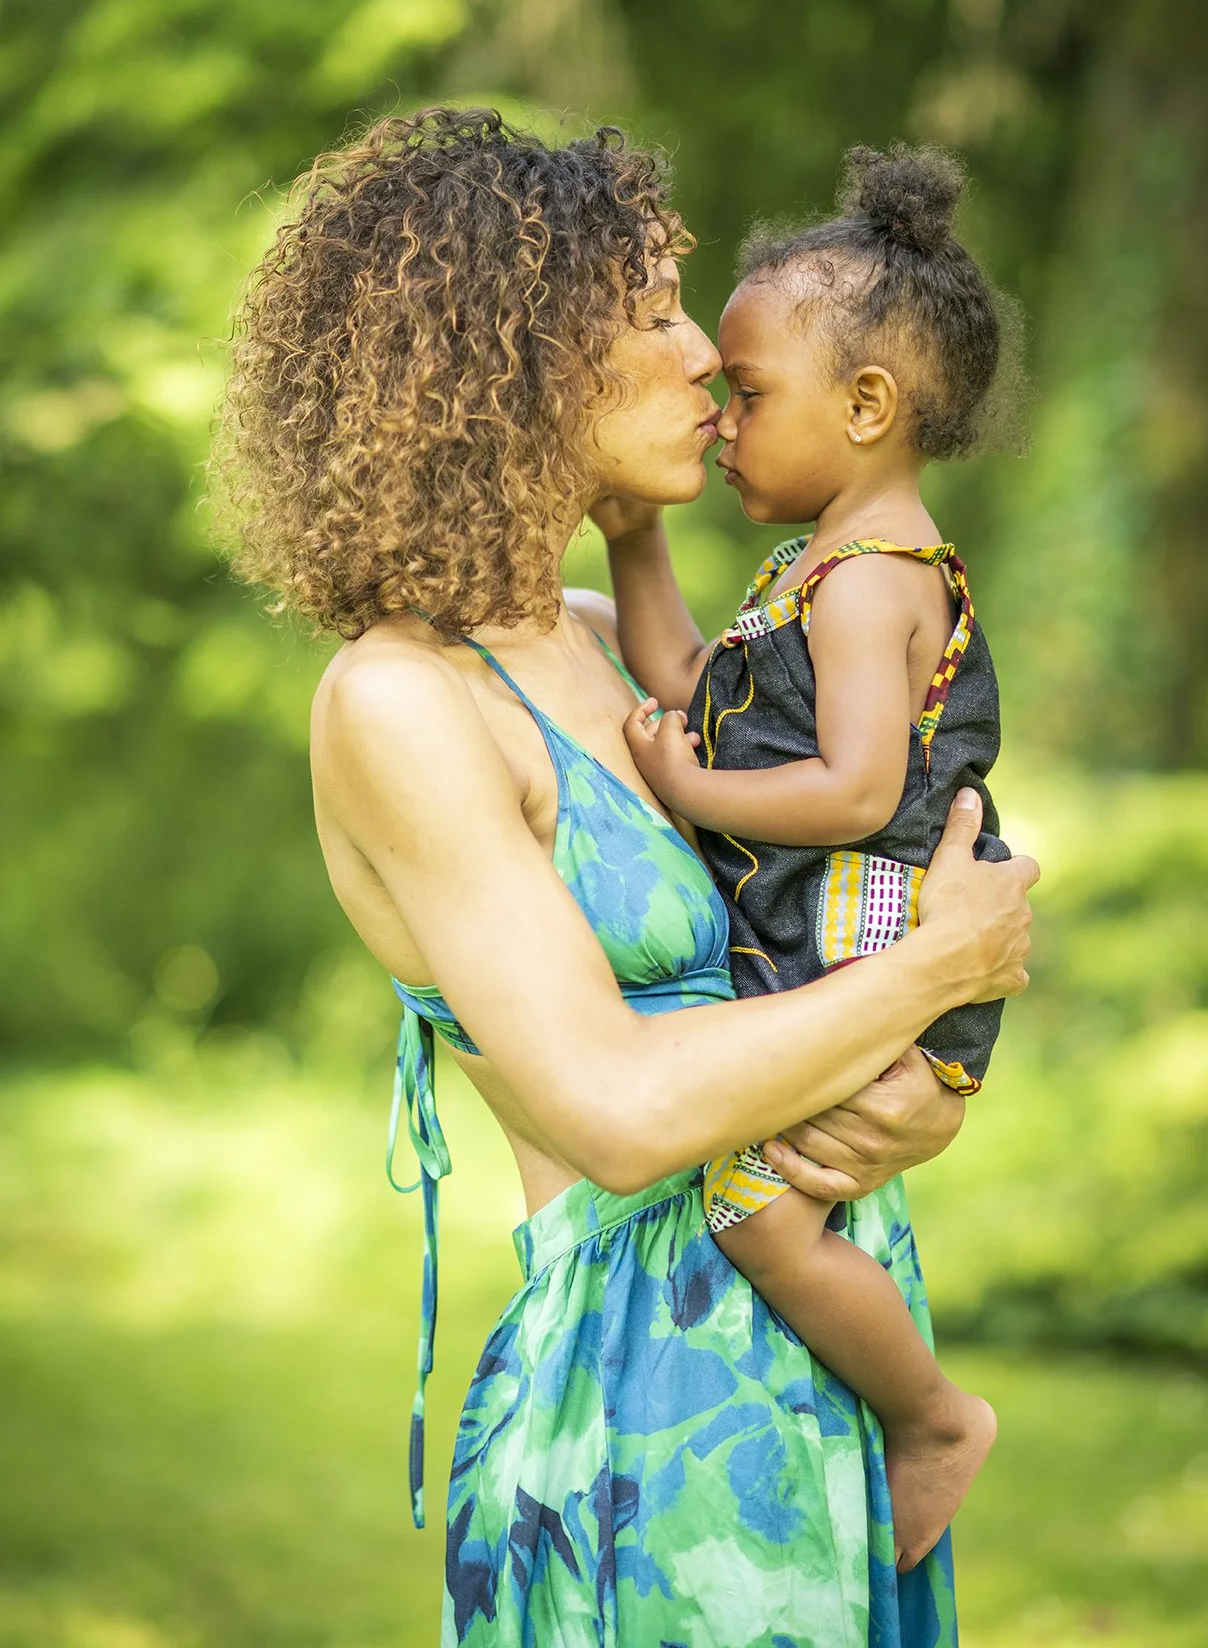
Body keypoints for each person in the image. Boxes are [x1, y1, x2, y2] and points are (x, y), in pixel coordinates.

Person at [213, 107, 1036, 1648]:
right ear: (508, 355)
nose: (702, 358)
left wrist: (921, 1074)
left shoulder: (596, 638)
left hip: (820, 1327)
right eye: (653, 309)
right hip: (653, 1395)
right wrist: (940, 966)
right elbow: (621, 1109)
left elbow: (821, 902)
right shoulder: (404, 700)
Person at [604, 143, 1014, 1575]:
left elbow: (850, 793)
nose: (722, 420)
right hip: (835, 937)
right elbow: (684, 681)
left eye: (752, 394)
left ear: (866, 405)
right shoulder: (815, 572)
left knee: (766, 1225)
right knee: (767, 1205)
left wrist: (685, 782)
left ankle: (934, 1421)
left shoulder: (874, 584)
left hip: (874, 930)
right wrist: (637, 542)